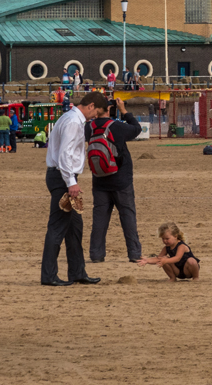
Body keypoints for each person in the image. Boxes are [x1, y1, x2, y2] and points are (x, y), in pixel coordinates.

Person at [42, 92, 106, 286]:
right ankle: (49, 276)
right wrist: (71, 182)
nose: (95, 117)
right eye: (97, 113)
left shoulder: (70, 118)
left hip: (62, 176)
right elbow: (65, 154)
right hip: (63, 177)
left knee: (74, 228)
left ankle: (77, 272)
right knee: (57, 228)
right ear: (91, 105)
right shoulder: (73, 122)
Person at [88, 98, 144, 264]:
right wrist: (124, 111)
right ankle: (134, 253)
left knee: (99, 220)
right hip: (121, 179)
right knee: (127, 217)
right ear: (109, 109)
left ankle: (96, 254)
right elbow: (136, 129)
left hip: (99, 179)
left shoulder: (88, 128)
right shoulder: (116, 126)